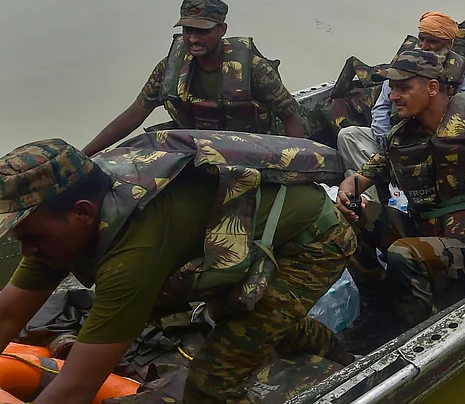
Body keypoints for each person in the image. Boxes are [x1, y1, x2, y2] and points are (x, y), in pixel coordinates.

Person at [0, 131, 355, 404]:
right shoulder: (62, 225)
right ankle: (345, 359)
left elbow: (77, 387)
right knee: (259, 322)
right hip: (247, 238)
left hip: (312, 241)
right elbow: (7, 315)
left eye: (32, 238)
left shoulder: (133, 251)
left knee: (210, 384)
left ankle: (350, 372)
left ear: (82, 212)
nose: (28, 250)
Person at [334, 51, 465, 330]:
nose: (393, 96)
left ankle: (420, 329)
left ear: (432, 87)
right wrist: (346, 193)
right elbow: (361, 178)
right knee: (344, 220)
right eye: (392, 89)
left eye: (403, 88)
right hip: (424, 234)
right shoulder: (400, 137)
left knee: (403, 253)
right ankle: (377, 308)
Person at [84, 0, 305, 156]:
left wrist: (291, 164)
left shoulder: (255, 70)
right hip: (196, 152)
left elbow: (291, 118)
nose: (193, 39)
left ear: (222, 30)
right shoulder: (168, 70)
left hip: (250, 152)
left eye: (202, 31)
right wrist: (85, 154)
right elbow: (134, 115)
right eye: (187, 31)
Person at [336, 11, 465, 184]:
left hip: (437, 142)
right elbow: (381, 109)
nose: (424, 46)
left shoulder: (463, 74)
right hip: (396, 137)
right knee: (348, 136)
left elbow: (463, 114)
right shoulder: (402, 67)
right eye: (422, 39)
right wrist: (387, 144)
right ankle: (370, 194)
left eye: (433, 41)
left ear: (450, 44)